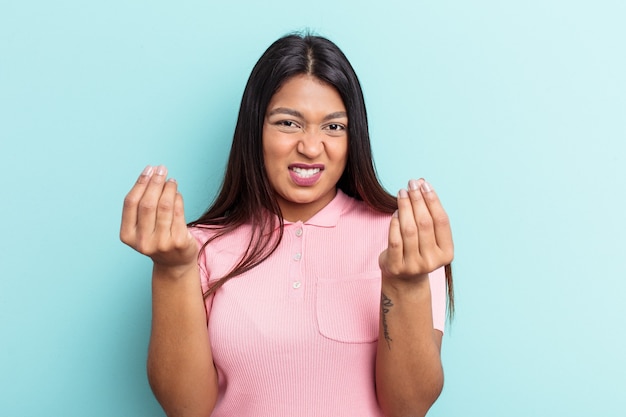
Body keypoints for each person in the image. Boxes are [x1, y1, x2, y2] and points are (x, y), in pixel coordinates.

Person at [120, 33, 454, 417]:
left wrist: (405, 285)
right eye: (288, 123)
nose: (311, 148)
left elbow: (408, 408)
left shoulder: (403, 243)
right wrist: (172, 271)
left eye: (333, 127)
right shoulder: (199, 247)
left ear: (354, 137)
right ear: (254, 130)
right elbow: (187, 409)